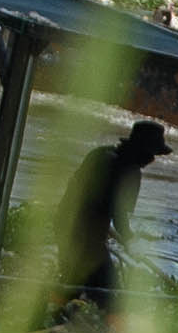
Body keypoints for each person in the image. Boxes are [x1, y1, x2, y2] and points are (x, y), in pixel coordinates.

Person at [61, 116, 168, 318]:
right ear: (143, 151)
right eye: (152, 154)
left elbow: (80, 196)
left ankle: (58, 329)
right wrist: (131, 242)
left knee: (71, 286)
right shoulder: (130, 172)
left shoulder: (99, 154)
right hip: (88, 242)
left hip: (65, 228)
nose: (152, 160)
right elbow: (119, 216)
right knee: (110, 297)